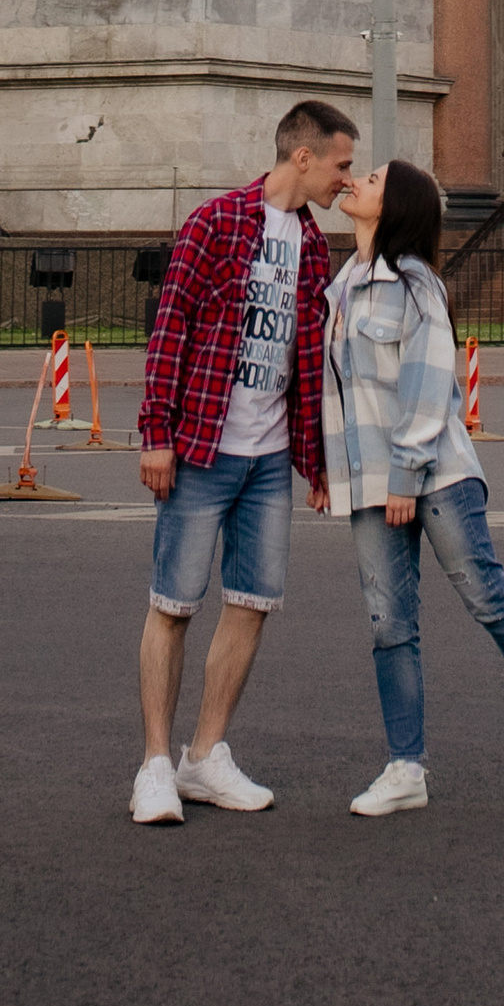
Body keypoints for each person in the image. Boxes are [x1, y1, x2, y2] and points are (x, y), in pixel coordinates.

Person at [326, 158, 504, 817]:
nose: (357, 180)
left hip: (435, 474)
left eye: (374, 179)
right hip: (369, 481)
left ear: (395, 206)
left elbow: (428, 382)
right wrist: (331, 474)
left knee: (487, 596)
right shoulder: (342, 288)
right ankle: (405, 767)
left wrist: (406, 473)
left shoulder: (415, 286)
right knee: (389, 624)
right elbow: (341, 397)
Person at [132, 99, 357, 826]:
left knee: (252, 604)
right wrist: (155, 433)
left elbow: (307, 365)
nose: (345, 181)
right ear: (303, 157)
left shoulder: (317, 246)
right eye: (341, 164)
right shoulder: (217, 222)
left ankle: (207, 754)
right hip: (200, 447)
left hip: (267, 461)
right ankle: (156, 765)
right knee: (174, 605)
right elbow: (171, 326)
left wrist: (317, 466)